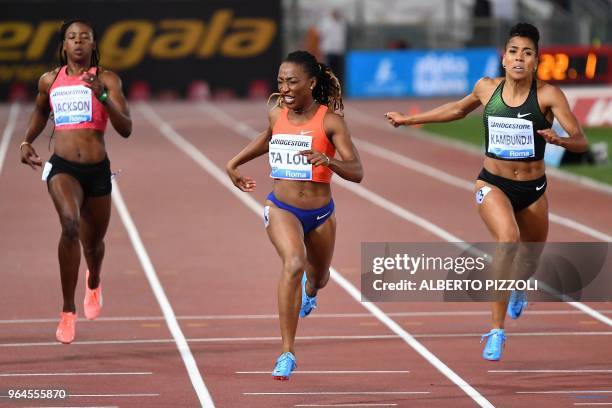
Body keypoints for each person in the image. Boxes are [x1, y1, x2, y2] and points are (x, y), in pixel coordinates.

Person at [385, 22, 587, 361]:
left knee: (530, 257)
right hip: (493, 183)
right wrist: (409, 120)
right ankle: (496, 330)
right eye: (513, 52)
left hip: (533, 189)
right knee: (507, 241)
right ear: (504, 59)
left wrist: (560, 140)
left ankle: (519, 285)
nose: (519, 58)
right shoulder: (486, 89)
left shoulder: (549, 95)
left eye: (527, 53)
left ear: (536, 61)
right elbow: (456, 109)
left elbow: (580, 140)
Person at [226, 50, 363, 380]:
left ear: (311, 83)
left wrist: (328, 161)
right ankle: (287, 351)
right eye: (280, 82)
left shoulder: (330, 121)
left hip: (320, 214)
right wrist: (234, 163)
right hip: (282, 208)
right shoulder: (277, 113)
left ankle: (311, 292)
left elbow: (357, 171)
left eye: (291, 82)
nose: (284, 88)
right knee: (293, 263)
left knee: (319, 277)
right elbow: (268, 136)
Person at [19, 19, 132, 344]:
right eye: (72, 37)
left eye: (85, 37)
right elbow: (41, 111)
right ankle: (68, 311)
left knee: (93, 245)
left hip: (97, 171)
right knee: (69, 225)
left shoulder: (107, 79)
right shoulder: (50, 80)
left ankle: (93, 281)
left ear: (93, 45)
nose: (78, 42)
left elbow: (126, 128)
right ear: (64, 45)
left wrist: (105, 96)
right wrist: (26, 142)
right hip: (63, 167)